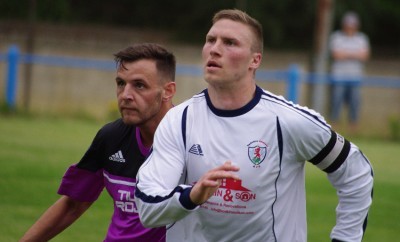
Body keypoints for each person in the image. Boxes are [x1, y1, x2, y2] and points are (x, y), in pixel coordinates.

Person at [134, 9, 374, 242]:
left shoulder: (288, 122)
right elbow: (147, 206)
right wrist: (190, 197)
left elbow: (356, 172)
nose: (215, 49)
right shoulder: (179, 120)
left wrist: (345, 238)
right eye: (210, 40)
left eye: (230, 42)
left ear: (255, 60)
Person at [20, 43, 176, 242]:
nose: (125, 95)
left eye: (139, 85)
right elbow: (73, 204)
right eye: (121, 83)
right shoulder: (111, 137)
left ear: (168, 91)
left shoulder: (191, 141)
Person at [329, 11, 370, 134]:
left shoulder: (362, 38)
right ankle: (333, 131)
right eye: (348, 25)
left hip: (355, 78)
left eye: (352, 25)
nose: (350, 28)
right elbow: (336, 55)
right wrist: (355, 54)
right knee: (336, 104)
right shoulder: (336, 37)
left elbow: (364, 56)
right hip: (338, 77)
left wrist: (345, 53)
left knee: (354, 105)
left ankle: (353, 131)